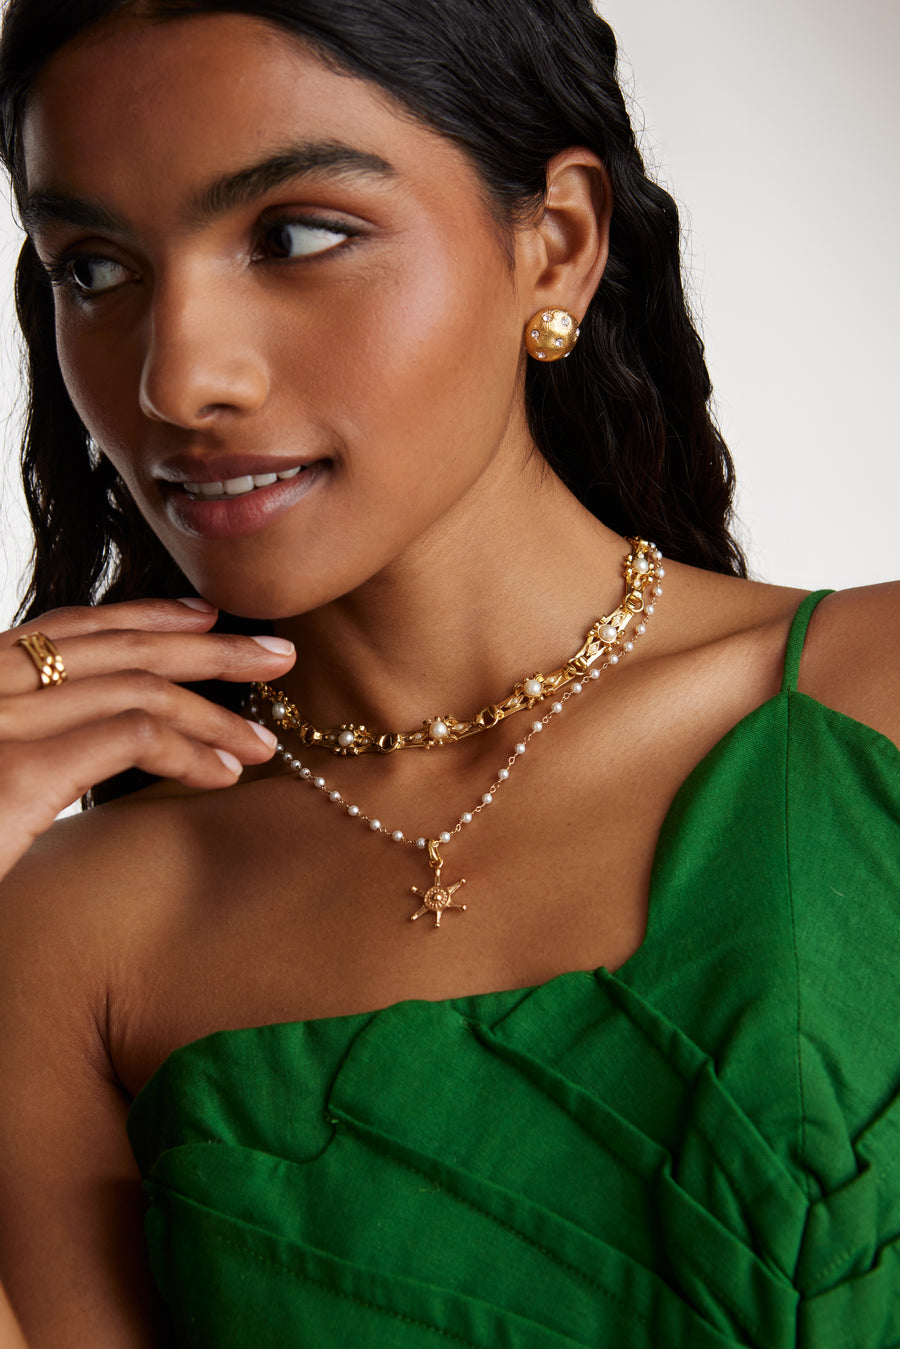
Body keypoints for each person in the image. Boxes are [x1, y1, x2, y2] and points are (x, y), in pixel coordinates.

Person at [0, 0, 897, 1344]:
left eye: (295, 235)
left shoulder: (873, 700)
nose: (179, 377)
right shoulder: (76, 933)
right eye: (93, 269)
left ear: (558, 248)